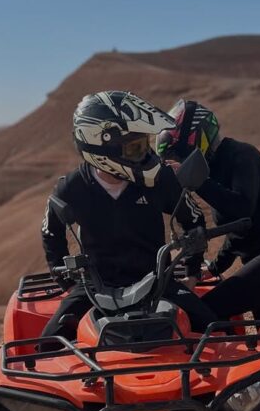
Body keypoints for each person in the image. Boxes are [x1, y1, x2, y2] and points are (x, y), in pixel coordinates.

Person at [40, 90, 214, 342]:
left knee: (217, 330)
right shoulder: (72, 187)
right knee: (47, 347)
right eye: (134, 148)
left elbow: (193, 219)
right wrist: (66, 283)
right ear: (101, 145)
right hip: (95, 286)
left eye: (144, 145)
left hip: (157, 280)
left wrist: (193, 273)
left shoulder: (160, 179)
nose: (145, 155)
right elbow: (50, 232)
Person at [155, 99, 260, 339]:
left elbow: (241, 208)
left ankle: (214, 375)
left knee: (205, 313)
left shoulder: (241, 155)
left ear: (199, 140)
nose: (183, 163)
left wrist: (198, 182)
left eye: (182, 155)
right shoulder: (213, 166)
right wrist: (215, 268)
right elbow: (237, 230)